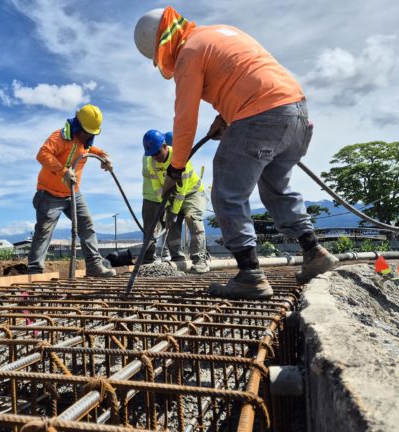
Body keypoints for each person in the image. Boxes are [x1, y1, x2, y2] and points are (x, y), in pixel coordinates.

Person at [133, 6, 338, 299]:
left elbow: (185, 120)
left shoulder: (189, 52)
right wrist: (225, 118)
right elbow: (248, 77)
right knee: (276, 187)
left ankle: (250, 274)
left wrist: (175, 170)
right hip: (297, 114)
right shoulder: (218, 33)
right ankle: (313, 250)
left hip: (261, 115)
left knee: (227, 191)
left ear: (162, 45)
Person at [27, 104, 117, 277]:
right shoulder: (59, 137)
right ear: (77, 124)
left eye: (91, 133)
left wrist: (104, 157)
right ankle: (35, 270)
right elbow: (42, 154)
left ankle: (93, 266)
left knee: (87, 225)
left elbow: (91, 150)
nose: (88, 136)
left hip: (73, 193)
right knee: (44, 230)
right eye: (85, 131)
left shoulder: (85, 141)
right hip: (49, 193)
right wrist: (63, 171)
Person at [141, 129, 209, 273]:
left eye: (157, 153)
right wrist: (167, 208)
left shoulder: (179, 157)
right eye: (152, 155)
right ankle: (177, 259)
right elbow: (158, 189)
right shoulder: (152, 163)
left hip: (192, 193)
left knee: (192, 218)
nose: (155, 157)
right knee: (171, 224)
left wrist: (174, 211)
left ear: (165, 146)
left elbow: (181, 190)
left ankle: (200, 260)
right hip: (173, 195)